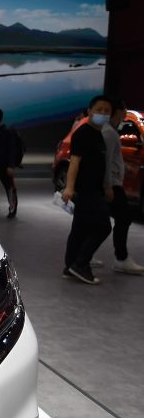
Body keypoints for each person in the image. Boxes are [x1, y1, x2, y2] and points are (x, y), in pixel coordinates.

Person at [61, 95, 114, 285]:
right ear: (89, 111)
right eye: (99, 109)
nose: (103, 113)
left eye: (107, 111)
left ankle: (70, 266)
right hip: (87, 190)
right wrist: (69, 187)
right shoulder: (83, 133)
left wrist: (106, 186)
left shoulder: (97, 133)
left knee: (80, 228)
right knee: (103, 226)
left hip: (94, 189)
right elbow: (74, 162)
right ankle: (81, 263)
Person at [102, 99, 144, 274]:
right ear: (118, 112)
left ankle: (82, 257)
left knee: (97, 223)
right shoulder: (109, 132)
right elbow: (106, 162)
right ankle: (121, 258)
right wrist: (108, 186)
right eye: (123, 111)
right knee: (121, 219)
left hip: (113, 183)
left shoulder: (110, 131)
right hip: (113, 184)